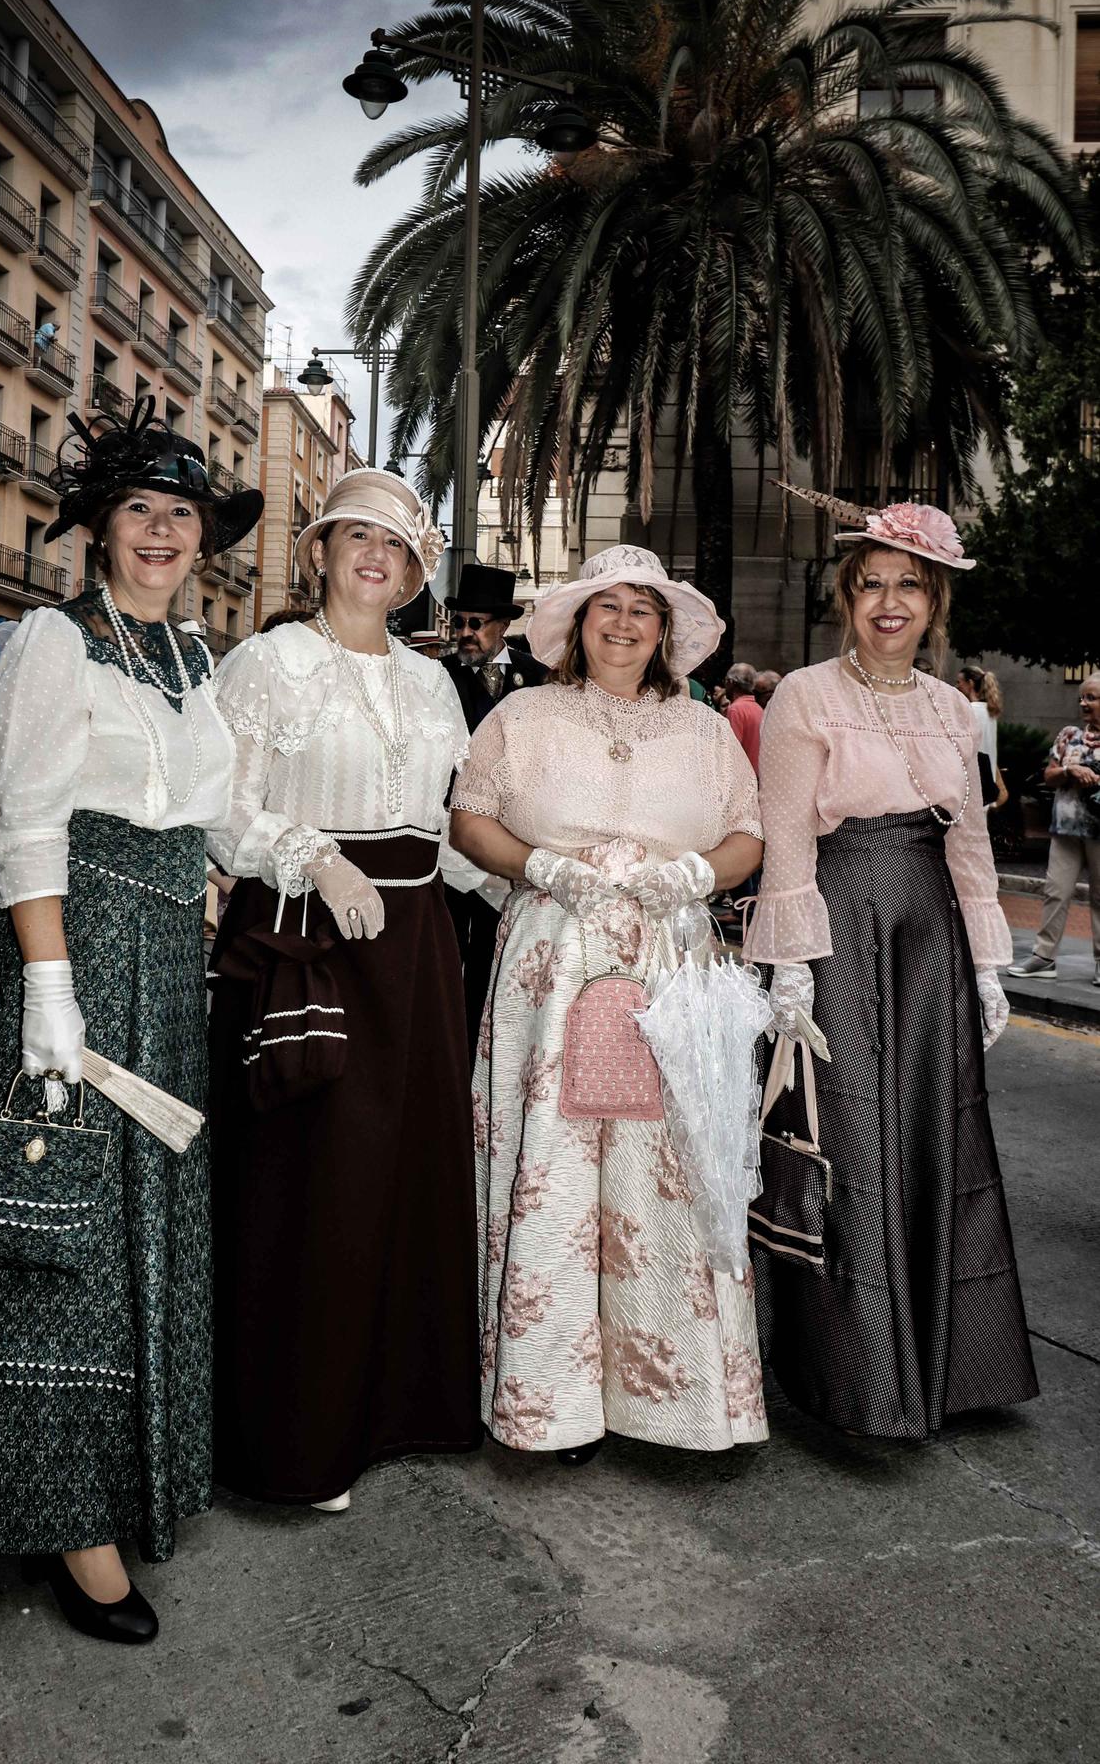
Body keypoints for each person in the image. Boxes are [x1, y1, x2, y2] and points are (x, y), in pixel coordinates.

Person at [0, 400, 263, 1644]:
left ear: (204, 542)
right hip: (66, 940)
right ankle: (63, 1519)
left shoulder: (196, 661)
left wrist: (314, 854)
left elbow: (221, 818)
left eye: (180, 515)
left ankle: (124, 1469)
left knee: (136, 1215)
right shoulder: (51, 641)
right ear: (97, 529)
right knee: (56, 1223)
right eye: (138, 509)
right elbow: (25, 816)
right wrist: (46, 986)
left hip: (161, 964)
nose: (160, 532)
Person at [207, 468, 488, 1512]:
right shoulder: (266, 661)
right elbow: (218, 807)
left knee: (400, 1181)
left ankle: (391, 1411)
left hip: (413, 952)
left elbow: (451, 828)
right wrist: (311, 856)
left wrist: (537, 876)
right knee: (305, 1184)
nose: (376, 555)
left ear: (416, 574)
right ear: (317, 551)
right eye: (354, 536)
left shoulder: (432, 684)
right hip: (303, 938)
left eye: (398, 545)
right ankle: (291, 1439)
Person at [450, 545, 767, 1462]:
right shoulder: (522, 715)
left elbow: (748, 833)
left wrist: (694, 875)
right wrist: (538, 866)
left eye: (643, 609)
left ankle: (670, 1399)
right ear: (576, 624)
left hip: (667, 962)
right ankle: (549, 1399)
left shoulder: (705, 730)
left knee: (664, 1170)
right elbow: (470, 818)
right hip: (552, 961)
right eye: (606, 608)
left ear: (664, 630)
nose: (624, 624)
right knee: (550, 1164)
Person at [744, 498, 1035, 1440]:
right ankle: (861, 1378)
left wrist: (988, 964)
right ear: (845, 596)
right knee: (851, 1142)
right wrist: (789, 964)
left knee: (935, 1139)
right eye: (869, 584)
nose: (887, 603)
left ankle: (944, 1368)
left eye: (907, 585)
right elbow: (787, 832)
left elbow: (971, 848)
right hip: (836, 925)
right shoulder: (806, 695)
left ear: (934, 602)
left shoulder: (954, 711)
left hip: (928, 937)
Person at [441, 565, 548, 1049]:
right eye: (458, 622)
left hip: (510, 844)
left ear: (502, 625)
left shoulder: (543, 681)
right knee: (443, 954)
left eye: (475, 623)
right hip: (444, 840)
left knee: (495, 955)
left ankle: (484, 1055)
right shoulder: (437, 675)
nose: (464, 633)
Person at [1009, 671, 1100, 986]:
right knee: (1055, 892)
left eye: (1092, 697)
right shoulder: (1069, 735)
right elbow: (1049, 775)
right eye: (1082, 697)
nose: (1084, 703)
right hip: (1065, 828)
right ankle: (1044, 958)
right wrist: (1069, 770)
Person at [956, 664, 1003, 777]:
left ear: (970, 683)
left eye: (959, 682)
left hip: (972, 779)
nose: (956, 686)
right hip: (989, 778)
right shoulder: (989, 711)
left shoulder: (968, 711)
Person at [723, 661, 764, 775]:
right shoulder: (758, 708)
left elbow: (731, 749)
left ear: (731, 682)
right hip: (757, 774)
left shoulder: (736, 709)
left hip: (742, 776)